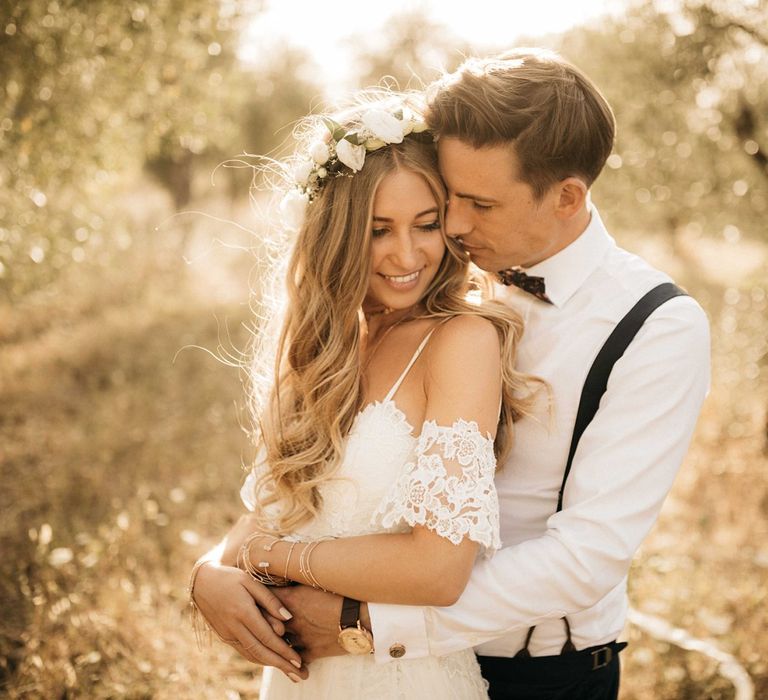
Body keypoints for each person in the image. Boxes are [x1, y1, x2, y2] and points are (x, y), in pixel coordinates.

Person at [194, 50, 711, 700]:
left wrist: (372, 624)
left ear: (567, 197)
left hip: (536, 670)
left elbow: (586, 558)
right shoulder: (418, 289)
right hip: (343, 654)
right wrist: (213, 568)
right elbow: (309, 487)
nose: (456, 227)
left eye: (478, 204)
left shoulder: (655, 327)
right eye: (449, 200)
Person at [188, 91, 543, 698]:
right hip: (300, 680)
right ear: (338, 233)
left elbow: (438, 570)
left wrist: (272, 559)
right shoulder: (320, 349)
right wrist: (207, 575)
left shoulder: (461, 341)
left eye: (427, 225)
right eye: (379, 231)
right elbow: (264, 517)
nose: (408, 255)